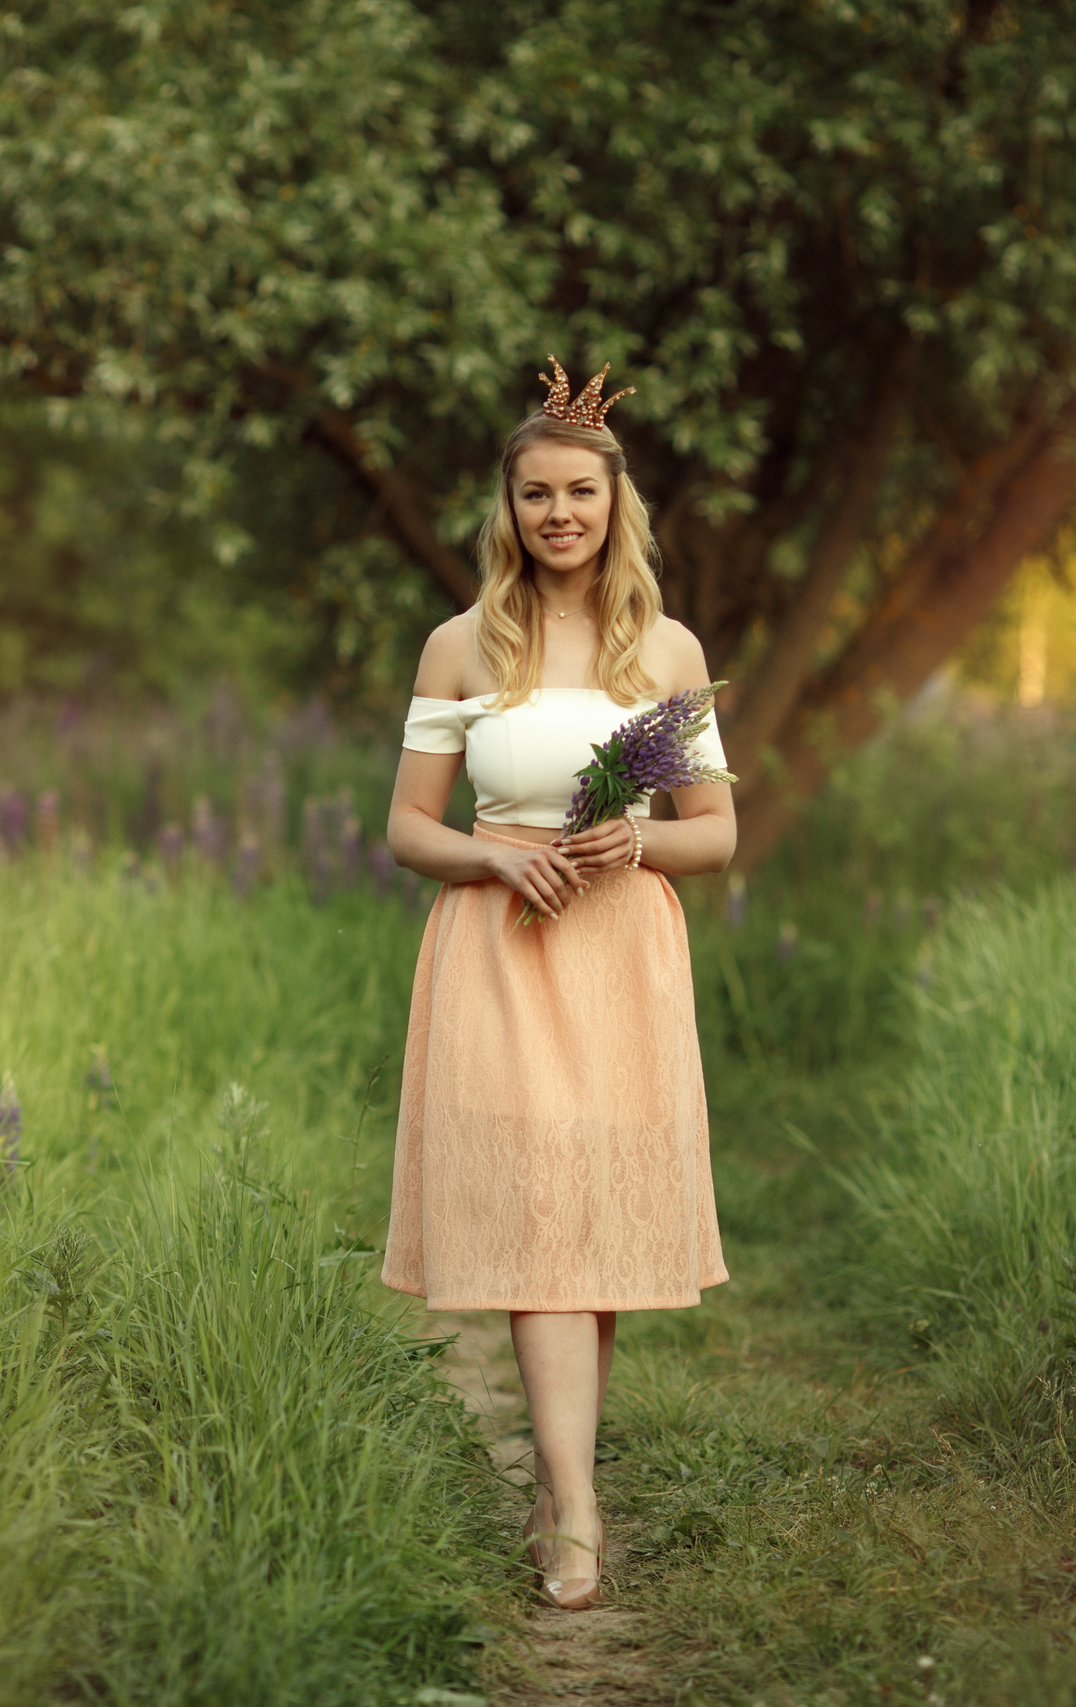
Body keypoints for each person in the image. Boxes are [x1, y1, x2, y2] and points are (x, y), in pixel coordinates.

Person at [381, 357, 735, 1612]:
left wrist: (629, 838)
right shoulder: (459, 644)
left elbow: (713, 833)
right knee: (539, 1220)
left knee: (590, 1223)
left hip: (622, 953)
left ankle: (558, 1478)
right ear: (509, 509)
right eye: (535, 496)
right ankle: (576, 1511)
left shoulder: (666, 648)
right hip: (499, 947)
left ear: (613, 500)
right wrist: (493, 854)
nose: (559, 515)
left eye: (579, 493)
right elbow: (409, 829)